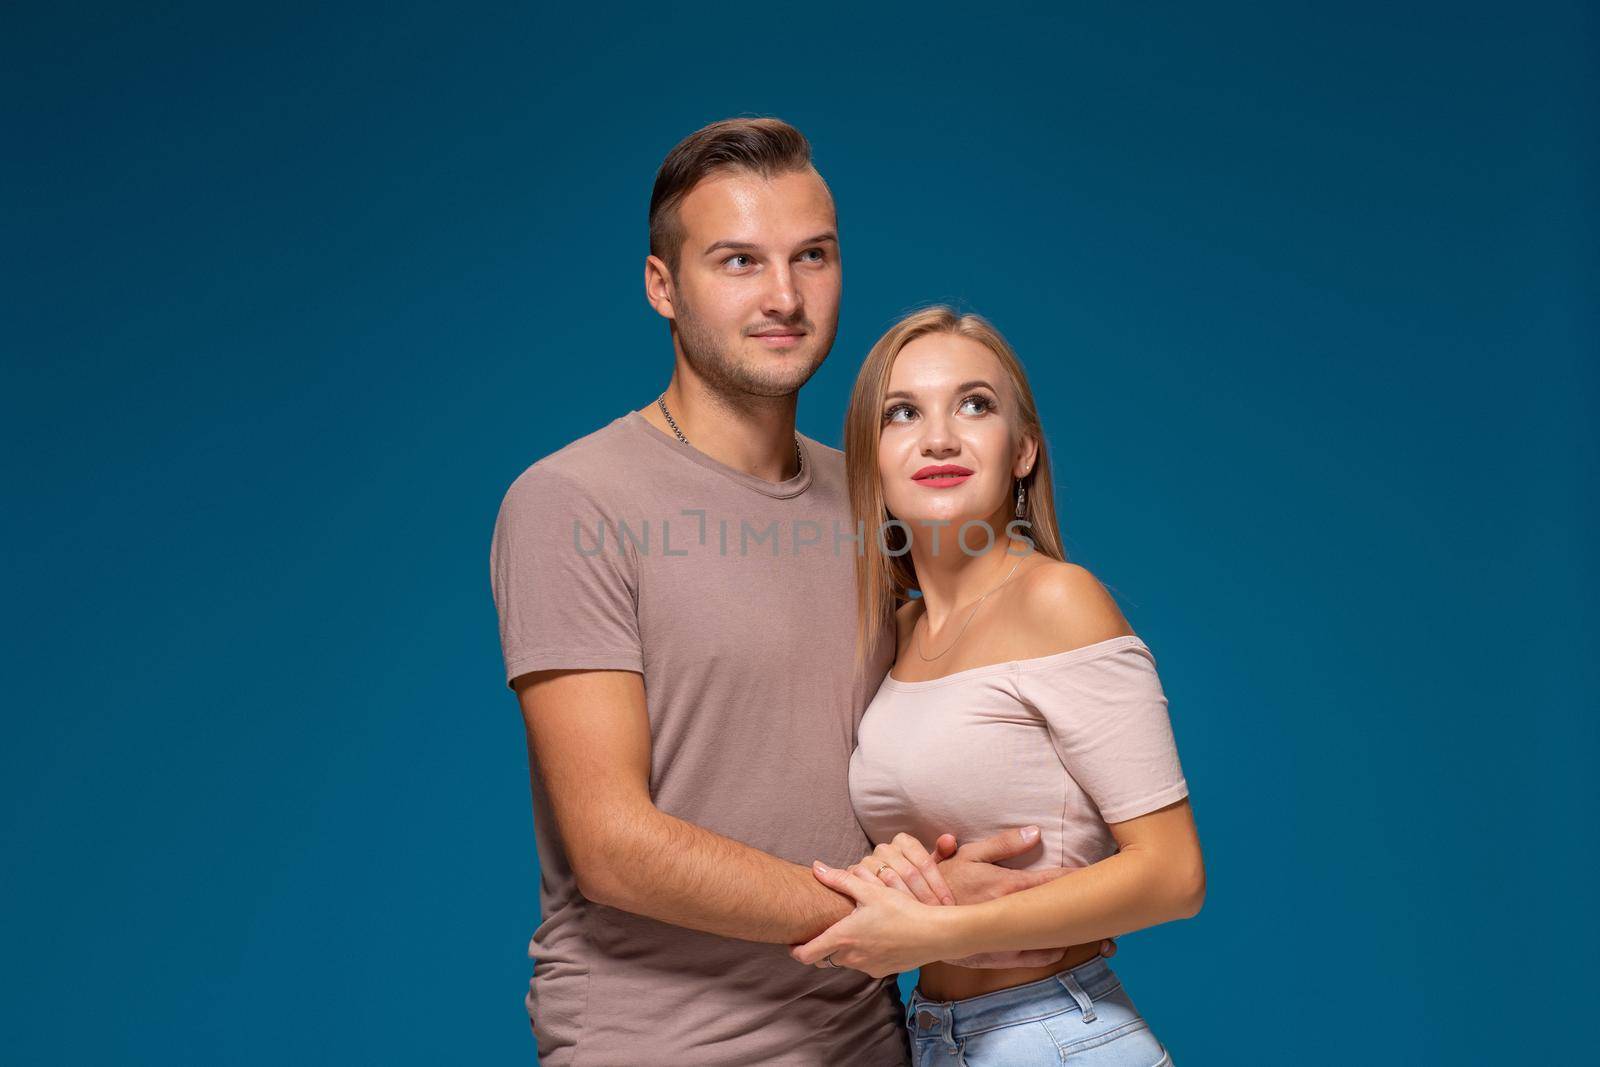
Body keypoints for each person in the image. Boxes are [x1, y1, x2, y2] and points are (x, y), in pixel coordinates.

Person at [488, 119, 1113, 1066]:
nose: (783, 296)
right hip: (662, 1046)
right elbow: (612, 846)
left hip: (874, 1041)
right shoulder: (572, 502)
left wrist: (1045, 891)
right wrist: (919, 914)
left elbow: (963, 732)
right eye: (738, 260)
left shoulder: (881, 501)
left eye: (811, 257)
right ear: (663, 286)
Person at [790, 307, 1205, 1066]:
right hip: (935, 1038)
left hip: (1059, 1034)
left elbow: (1174, 873)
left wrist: (932, 932)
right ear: (870, 458)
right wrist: (900, 878)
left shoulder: (1057, 600)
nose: (939, 436)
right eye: (903, 412)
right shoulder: (895, 635)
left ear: (1022, 451)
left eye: (974, 405)